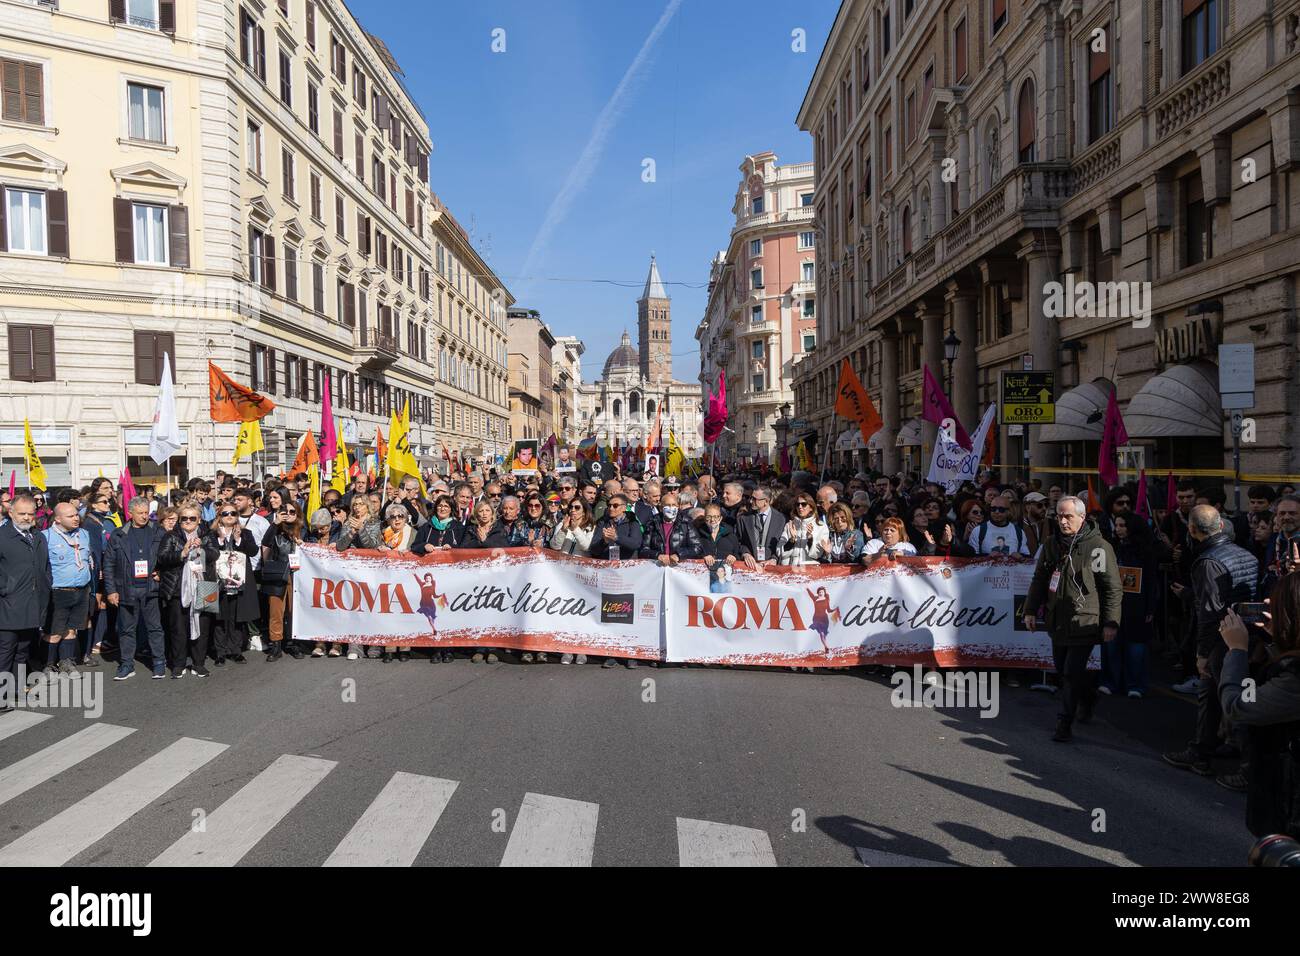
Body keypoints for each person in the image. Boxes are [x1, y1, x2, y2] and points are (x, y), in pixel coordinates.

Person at [1163, 505, 1259, 788]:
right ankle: (1200, 752)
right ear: (1219, 526)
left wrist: (1202, 655)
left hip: (1224, 640)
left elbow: (1209, 612)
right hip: (1248, 634)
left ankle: (1248, 768)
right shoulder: (1246, 554)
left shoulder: (1207, 562)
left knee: (1234, 702)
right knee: (1214, 696)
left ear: (1192, 530)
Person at [1024, 495, 1122, 743]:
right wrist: (1030, 610)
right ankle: (1088, 697)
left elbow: (1111, 587)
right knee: (1063, 669)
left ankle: (1063, 722)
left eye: (1068, 516)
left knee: (1070, 672)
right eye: (1059, 516)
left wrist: (1111, 622)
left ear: (1081, 517)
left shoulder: (1098, 546)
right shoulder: (1051, 544)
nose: (1063, 521)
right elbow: (1040, 579)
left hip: (1085, 619)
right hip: (1058, 618)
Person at [1218, 575, 1300, 839]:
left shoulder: (1295, 679)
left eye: (1277, 605)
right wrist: (1277, 637)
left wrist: (1237, 650)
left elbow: (1238, 705)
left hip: (1288, 809)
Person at [104, 497, 167, 680]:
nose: (145, 516)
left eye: (147, 512)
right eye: (140, 513)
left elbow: (167, 556)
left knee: (155, 628)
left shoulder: (158, 531)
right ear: (130, 513)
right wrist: (111, 590)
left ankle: (158, 663)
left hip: (151, 588)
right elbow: (108, 564)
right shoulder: (118, 534)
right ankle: (126, 664)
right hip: (126, 589)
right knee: (126, 630)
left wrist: (161, 572)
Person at [0, 495, 51, 707]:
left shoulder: (38, 537)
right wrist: (5, 589)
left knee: (22, 651)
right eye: (22, 513)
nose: (27, 517)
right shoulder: (2, 536)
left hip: (33, 603)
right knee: (5, 652)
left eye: (30, 513)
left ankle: (17, 691)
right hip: (8, 605)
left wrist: (45, 588)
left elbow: (45, 568)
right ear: (10, 512)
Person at [1103, 513, 1160, 698]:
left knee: (1135, 647)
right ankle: (1110, 682)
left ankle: (1135, 684)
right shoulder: (1112, 547)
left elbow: (1152, 580)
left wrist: (1150, 607)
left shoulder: (1146, 550)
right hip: (1114, 603)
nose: (1117, 529)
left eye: (1122, 525)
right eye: (1116, 524)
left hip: (1137, 605)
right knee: (1111, 644)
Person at [204, 502, 259, 667]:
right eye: (225, 513)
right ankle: (220, 652)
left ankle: (236, 650)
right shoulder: (211, 533)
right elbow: (206, 553)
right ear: (219, 516)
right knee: (219, 617)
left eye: (233, 514)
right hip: (218, 581)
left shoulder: (245, 533)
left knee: (237, 617)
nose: (229, 516)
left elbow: (253, 551)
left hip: (238, 581)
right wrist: (220, 541)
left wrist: (238, 539)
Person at [159, 503, 210, 677]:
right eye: (184, 518)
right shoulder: (171, 536)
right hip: (177, 587)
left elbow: (215, 554)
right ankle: (178, 664)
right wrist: (182, 553)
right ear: (179, 520)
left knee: (202, 626)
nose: (188, 521)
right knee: (178, 628)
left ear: (199, 520)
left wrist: (202, 548)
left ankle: (199, 663)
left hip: (204, 586)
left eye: (192, 518)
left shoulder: (206, 535)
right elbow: (162, 558)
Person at [42, 502, 93, 675]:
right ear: (57, 518)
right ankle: (48, 665)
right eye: (70, 516)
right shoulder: (46, 537)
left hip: (81, 589)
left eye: (76, 515)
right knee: (54, 631)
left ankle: (67, 662)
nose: (76, 518)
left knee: (72, 629)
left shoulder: (84, 534)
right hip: (58, 592)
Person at [337, 498, 385, 660]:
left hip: (371, 571)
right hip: (352, 571)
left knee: (372, 607)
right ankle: (355, 645)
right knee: (354, 607)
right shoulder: (348, 523)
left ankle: (374, 644)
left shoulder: (376, 523)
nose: (357, 507)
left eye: (361, 504)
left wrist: (361, 529)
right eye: (355, 504)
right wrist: (351, 531)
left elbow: (372, 546)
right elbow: (340, 546)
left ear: (368, 506)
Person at [261, 501, 306, 661]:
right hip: (278, 574)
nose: (288, 515)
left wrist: (303, 544)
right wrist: (275, 523)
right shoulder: (275, 530)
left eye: (292, 512)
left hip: (298, 576)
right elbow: (265, 543)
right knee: (276, 612)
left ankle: (292, 643)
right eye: (284, 512)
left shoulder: (303, 530)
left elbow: (313, 548)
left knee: (293, 612)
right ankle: (276, 645)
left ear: (298, 514)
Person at [737, 486, 786, 570]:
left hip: (771, 566)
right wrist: (745, 554)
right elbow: (739, 541)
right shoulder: (744, 518)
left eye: (754, 499)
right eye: (751, 497)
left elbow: (783, 543)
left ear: (766, 501)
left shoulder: (781, 519)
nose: (751, 501)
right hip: (750, 566)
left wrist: (774, 559)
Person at [777, 493, 827, 565]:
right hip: (789, 569)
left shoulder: (821, 526)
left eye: (803, 504)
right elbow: (779, 552)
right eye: (798, 504)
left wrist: (810, 539)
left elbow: (818, 555)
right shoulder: (790, 525)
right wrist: (791, 541)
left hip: (809, 570)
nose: (800, 507)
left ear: (811, 507)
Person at [590, 494, 643, 561]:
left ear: (624, 507)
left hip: (626, 565)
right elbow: (593, 550)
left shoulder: (632, 522)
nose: (611, 508)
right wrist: (604, 542)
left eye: (615, 506)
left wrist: (617, 538)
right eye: (609, 505)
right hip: (607, 565)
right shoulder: (603, 522)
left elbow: (636, 544)